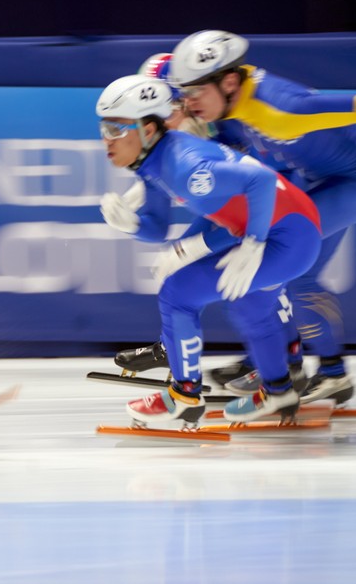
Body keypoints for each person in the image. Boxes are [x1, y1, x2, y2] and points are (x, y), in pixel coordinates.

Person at [165, 30, 356, 405]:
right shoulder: (228, 111)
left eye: (196, 91)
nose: (189, 102)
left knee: (281, 260)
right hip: (314, 179)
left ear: (229, 80)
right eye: (184, 93)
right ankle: (325, 372)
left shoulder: (281, 108)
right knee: (295, 272)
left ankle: (283, 365)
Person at [97, 74, 322, 425]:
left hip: (289, 237)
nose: (106, 140)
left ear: (149, 130)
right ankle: (280, 392)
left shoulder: (185, 167)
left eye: (116, 128)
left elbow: (261, 181)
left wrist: (253, 242)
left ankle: (184, 396)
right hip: (288, 226)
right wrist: (132, 225)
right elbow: (157, 227)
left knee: (179, 294)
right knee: (249, 303)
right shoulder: (152, 161)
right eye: (104, 129)